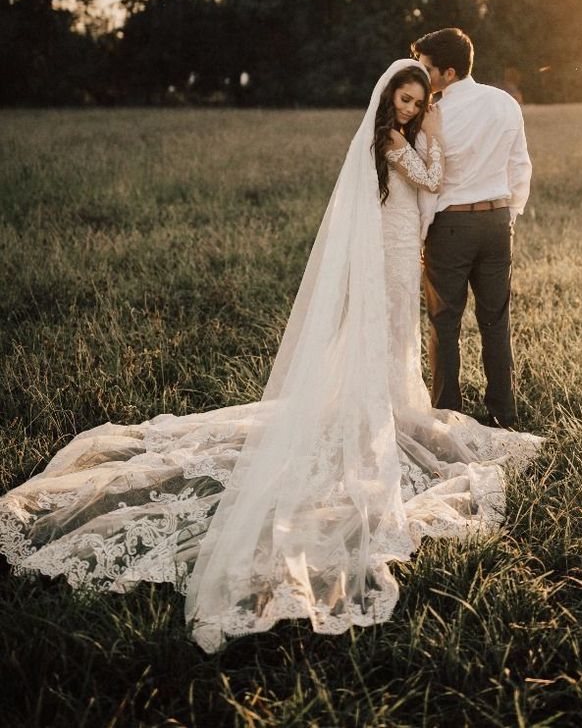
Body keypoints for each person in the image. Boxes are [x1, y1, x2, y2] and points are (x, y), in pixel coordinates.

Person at [0, 59, 541, 651]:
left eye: (419, 102)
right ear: (390, 101)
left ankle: (387, 405)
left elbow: (421, 194)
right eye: (407, 101)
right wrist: (433, 139)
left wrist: (426, 142)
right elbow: (432, 181)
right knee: (388, 331)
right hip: (388, 248)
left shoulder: (399, 136)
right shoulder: (391, 138)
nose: (413, 109)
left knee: (397, 334)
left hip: (401, 239)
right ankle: (378, 412)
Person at [412, 28, 532, 428]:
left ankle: (448, 416)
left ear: (447, 72)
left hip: (451, 224)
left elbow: (433, 181)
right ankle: (504, 414)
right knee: (496, 322)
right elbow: (520, 165)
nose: (421, 76)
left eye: (427, 69)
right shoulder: (505, 103)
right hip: (498, 222)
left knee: (444, 323)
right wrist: (508, 213)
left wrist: (422, 232)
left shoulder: (435, 113)